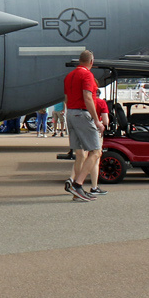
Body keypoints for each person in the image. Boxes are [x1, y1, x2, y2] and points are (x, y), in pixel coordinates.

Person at [63, 50, 104, 201]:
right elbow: (88, 97)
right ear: (91, 62)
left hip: (71, 113)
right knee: (96, 152)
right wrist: (96, 120)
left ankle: (76, 191)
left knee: (80, 154)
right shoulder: (87, 75)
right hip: (82, 113)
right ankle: (78, 185)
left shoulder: (69, 76)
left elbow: (66, 98)